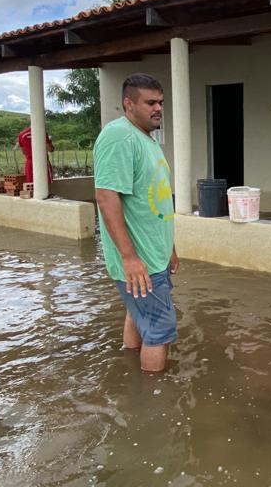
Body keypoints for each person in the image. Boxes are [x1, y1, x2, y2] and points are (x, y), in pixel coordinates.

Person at [93, 73, 178, 372]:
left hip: (155, 256)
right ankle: (154, 404)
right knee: (160, 331)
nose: (158, 109)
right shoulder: (119, 137)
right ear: (128, 104)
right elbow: (106, 197)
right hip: (139, 259)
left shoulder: (147, 140)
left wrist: (170, 247)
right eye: (150, 102)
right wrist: (129, 258)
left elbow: (156, 198)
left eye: (161, 103)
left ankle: (130, 370)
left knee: (138, 313)